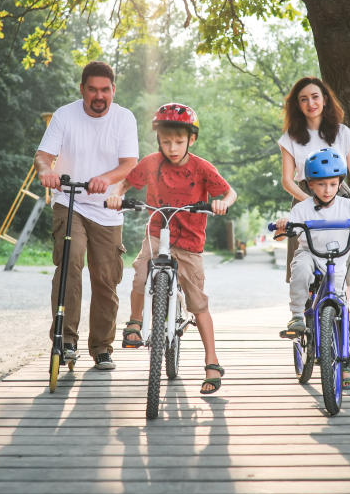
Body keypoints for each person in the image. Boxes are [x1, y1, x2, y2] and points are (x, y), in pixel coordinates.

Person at [106, 103, 237, 394]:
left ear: (191, 139)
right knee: (140, 273)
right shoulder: (152, 163)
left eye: (179, 141)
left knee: (198, 302)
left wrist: (222, 203)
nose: (172, 147)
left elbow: (229, 191)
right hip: (157, 232)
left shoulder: (202, 168)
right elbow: (126, 183)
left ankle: (212, 361)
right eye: (166, 142)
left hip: (190, 242)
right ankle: (135, 324)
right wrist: (116, 195)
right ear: (158, 141)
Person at [35, 61, 139, 371]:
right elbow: (43, 156)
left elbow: (129, 163)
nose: (99, 96)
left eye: (105, 90)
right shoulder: (65, 116)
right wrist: (47, 172)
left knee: (106, 280)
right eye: (92, 89)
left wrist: (106, 180)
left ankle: (102, 348)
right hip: (70, 202)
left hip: (107, 209)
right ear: (82, 89)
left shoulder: (124, 118)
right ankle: (65, 340)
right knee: (71, 260)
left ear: (113, 91)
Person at [275, 147, 350, 386]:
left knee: (340, 305)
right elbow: (284, 232)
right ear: (310, 185)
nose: (327, 190)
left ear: (340, 183)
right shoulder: (302, 208)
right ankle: (297, 315)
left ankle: (344, 353)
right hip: (310, 253)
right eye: (320, 185)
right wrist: (282, 226)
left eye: (332, 184)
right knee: (301, 271)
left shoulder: (349, 207)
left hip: (336, 261)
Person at [277, 77, 350, 287]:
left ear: (325, 99)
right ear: (298, 105)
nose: (311, 103)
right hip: (305, 196)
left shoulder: (341, 132)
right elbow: (287, 180)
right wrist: (310, 202)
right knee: (306, 263)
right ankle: (304, 314)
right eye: (304, 99)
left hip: (340, 196)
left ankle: (342, 316)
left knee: (343, 269)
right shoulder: (290, 138)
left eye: (315, 97)